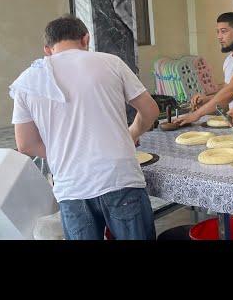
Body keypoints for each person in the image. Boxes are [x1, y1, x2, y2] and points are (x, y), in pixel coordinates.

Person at [10, 15, 159, 240]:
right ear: (86, 39)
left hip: (72, 188)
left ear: (47, 49)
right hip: (118, 178)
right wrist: (132, 133)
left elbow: (25, 144)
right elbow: (150, 111)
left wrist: (67, 154)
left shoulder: (28, 81)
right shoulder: (110, 62)